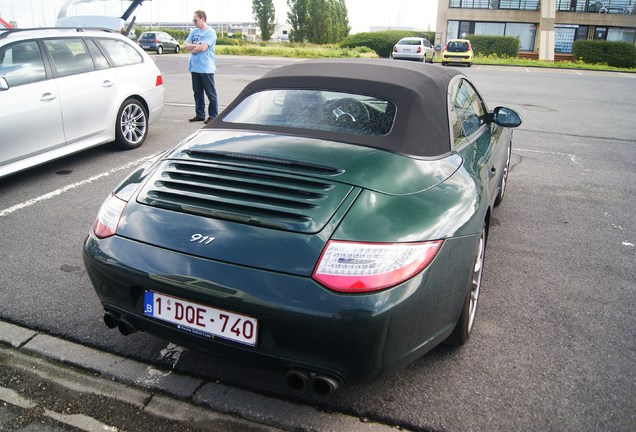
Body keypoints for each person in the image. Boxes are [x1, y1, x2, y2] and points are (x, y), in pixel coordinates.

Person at [183, 10, 218, 124]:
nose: (194, 22)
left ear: (202, 19)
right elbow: (184, 45)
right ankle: (200, 114)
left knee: (210, 93)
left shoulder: (210, 32)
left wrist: (192, 47)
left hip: (205, 68)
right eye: (193, 20)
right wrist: (196, 46)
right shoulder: (194, 32)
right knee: (197, 92)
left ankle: (213, 115)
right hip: (194, 67)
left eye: (195, 20)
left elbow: (204, 48)